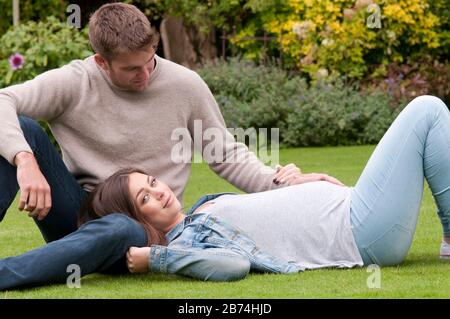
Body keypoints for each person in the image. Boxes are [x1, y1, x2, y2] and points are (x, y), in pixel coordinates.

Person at [1, 95, 449, 289]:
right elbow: (234, 265)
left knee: (427, 115)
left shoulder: (200, 211)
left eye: (153, 184)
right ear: (141, 225)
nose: (159, 193)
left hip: (354, 208)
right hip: (359, 229)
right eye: (145, 200)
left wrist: (289, 181)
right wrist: (156, 257)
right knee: (426, 110)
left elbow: (266, 206)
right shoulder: (186, 238)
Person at [0, 3, 302, 274]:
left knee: (122, 227)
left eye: (150, 60)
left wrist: (286, 185)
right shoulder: (74, 81)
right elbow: (4, 101)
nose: (145, 74)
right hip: (80, 214)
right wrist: (24, 159)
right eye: (131, 69)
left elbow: (226, 155)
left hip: (145, 232)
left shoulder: (185, 85)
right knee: (23, 130)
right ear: (101, 62)